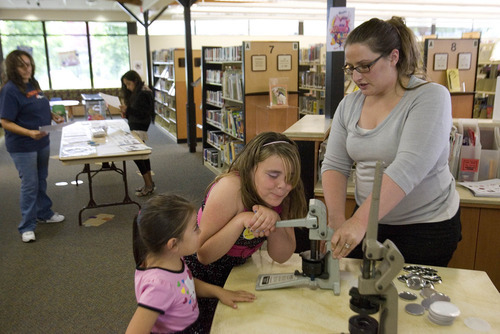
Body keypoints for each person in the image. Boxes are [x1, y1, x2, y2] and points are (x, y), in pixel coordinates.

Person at [321, 17, 461, 267]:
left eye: (364, 66)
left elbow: (408, 168)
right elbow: (335, 163)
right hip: (368, 219)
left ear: (393, 57)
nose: (356, 76)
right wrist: (336, 220)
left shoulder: (430, 98)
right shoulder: (349, 104)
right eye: (350, 67)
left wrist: (359, 222)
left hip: (425, 226)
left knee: (409, 299)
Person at [184, 131, 308, 332]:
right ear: (251, 168)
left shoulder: (286, 194)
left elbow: (282, 256)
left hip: (238, 270)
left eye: (290, 177)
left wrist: (274, 224)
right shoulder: (230, 189)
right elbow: (203, 255)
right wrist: (240, 220)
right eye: (273, 175)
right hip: (198, 278)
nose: (283, 186)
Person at [127, 193, 255, 334]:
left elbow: (184, 283)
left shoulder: (172, 259)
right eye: (195, 228)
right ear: (173, 244)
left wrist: (219, 292)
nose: (200, 231)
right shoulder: (159, 286)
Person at [0, 50, 65, 243]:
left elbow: (38, 104)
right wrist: (29, 133)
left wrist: (53, 116)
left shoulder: (33, 84)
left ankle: (43, 213)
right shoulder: (9, 90)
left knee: (41, 179)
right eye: (22, 65)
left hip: (42, 141)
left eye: (29, 64)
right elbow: (4, 121)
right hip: (23, 145)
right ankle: (27, 226)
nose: (27, 68)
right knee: (29, 184)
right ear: (13, 68)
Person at [120, 70, 155, 197]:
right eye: (126, 85)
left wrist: (128, 109)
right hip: (135, 125)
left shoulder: (143, 93)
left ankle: (149, 184)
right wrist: (127, 112)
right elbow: (136, 111)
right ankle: (149, 183)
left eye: (129, 84)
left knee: (139, 156)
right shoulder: (138, 92)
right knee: (142, 155)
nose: (128, 87)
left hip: (139, 127)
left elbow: (143, 113)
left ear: (135, 80)